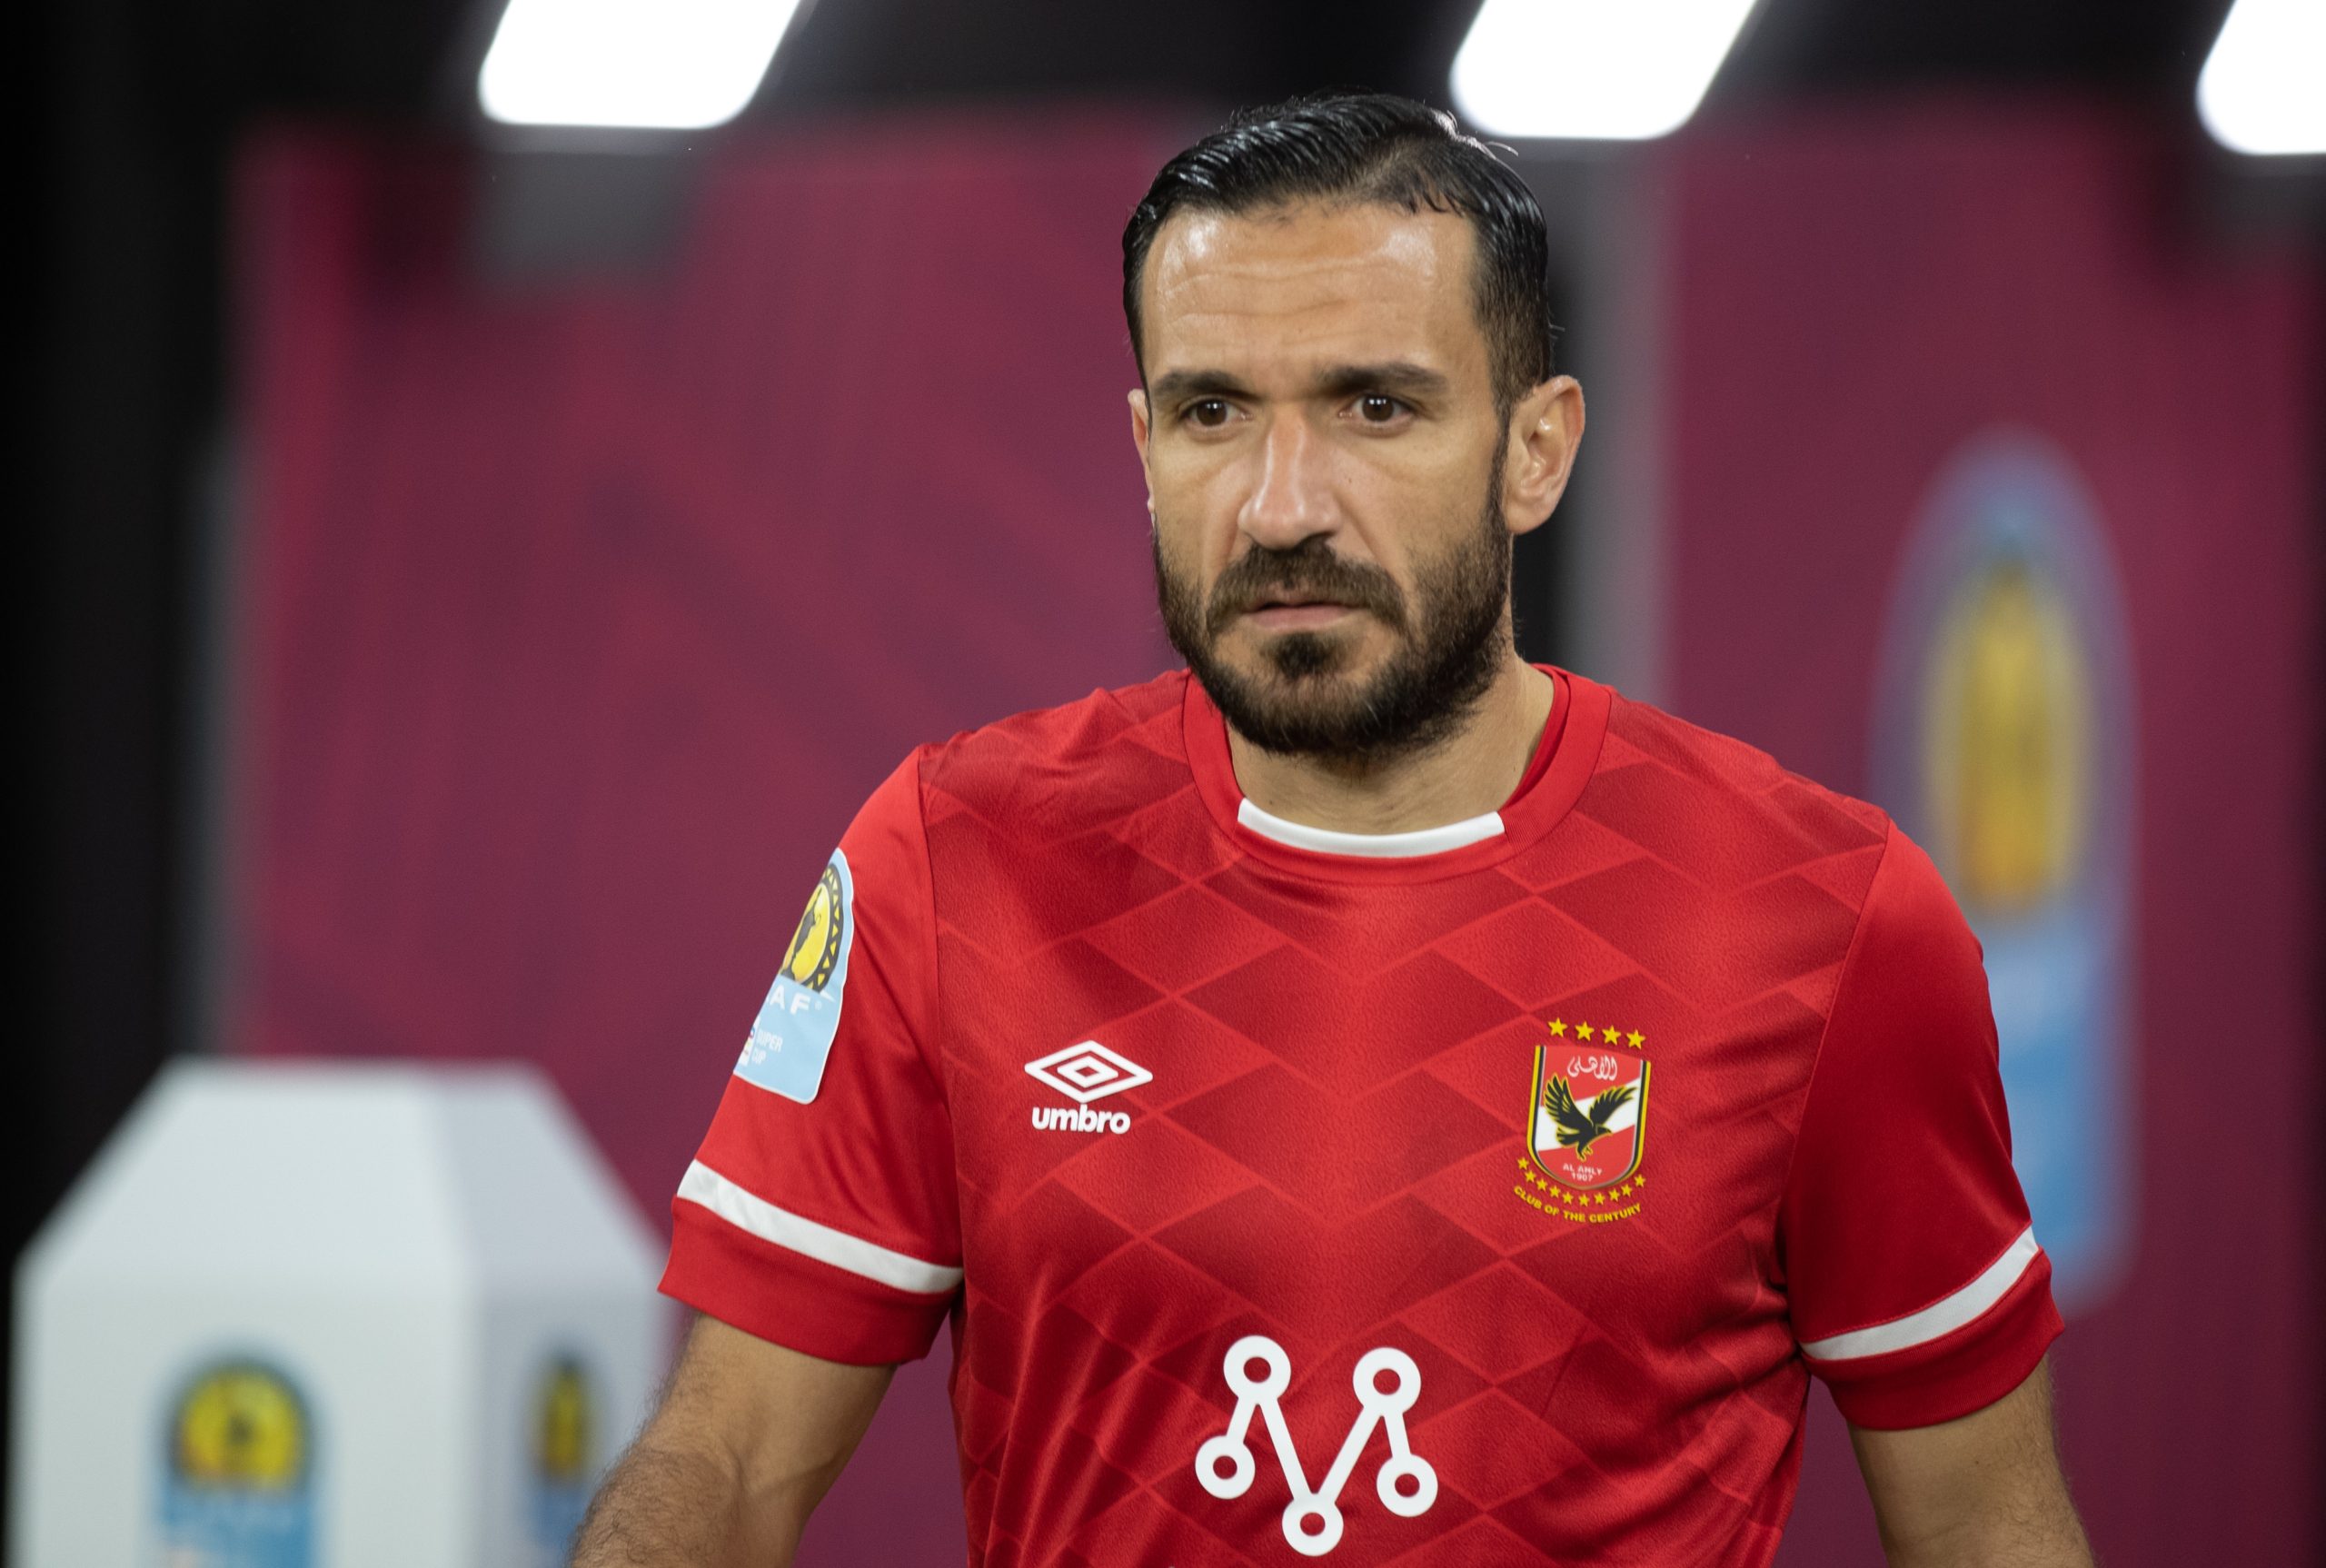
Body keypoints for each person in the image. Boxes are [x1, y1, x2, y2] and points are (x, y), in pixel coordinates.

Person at [572, 93, 2092, 1568]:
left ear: (1537, 449)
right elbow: (730, 1458)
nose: (1282, 505)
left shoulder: (1823, 919)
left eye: (1377, 406)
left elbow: (1982, 1529)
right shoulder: (955, 857)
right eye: (1213, 412)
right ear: (1144, 446)